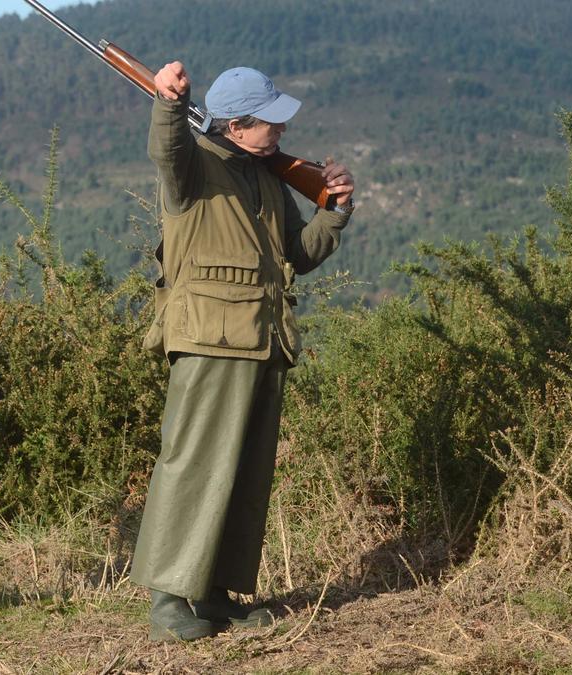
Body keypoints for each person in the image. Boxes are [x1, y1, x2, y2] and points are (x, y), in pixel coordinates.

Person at [131, 63, 355, 642]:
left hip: (263, 340)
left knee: (244, 472)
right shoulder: (194, 167)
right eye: (270, 122)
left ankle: (215, 591)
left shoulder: (267, 179)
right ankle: (169, 598)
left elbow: (298, 255)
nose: (281, 131)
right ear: (234, 125)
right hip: (209, 339)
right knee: (194, 463)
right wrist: (167, 100)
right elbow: (167, 146)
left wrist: (335, 210)